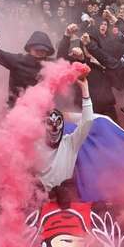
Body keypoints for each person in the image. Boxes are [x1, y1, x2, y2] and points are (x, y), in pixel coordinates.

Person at [37, 75, 93, 203]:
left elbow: (87, 121)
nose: (54, 127)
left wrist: (85, 90)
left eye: (57, 123)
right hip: (40, 201)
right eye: (50, 123)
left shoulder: (70, 143)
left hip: (65, 201)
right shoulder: (35, 145)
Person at [0, 29, 55, 107]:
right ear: (30, 49)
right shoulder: (18, 61)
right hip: (16, 111)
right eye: (37, 49)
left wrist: (66, 36)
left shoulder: (50, 65)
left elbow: (64, 64)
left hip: (41, 110)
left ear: (47, 52)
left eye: (43, 50)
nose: (40, 52)